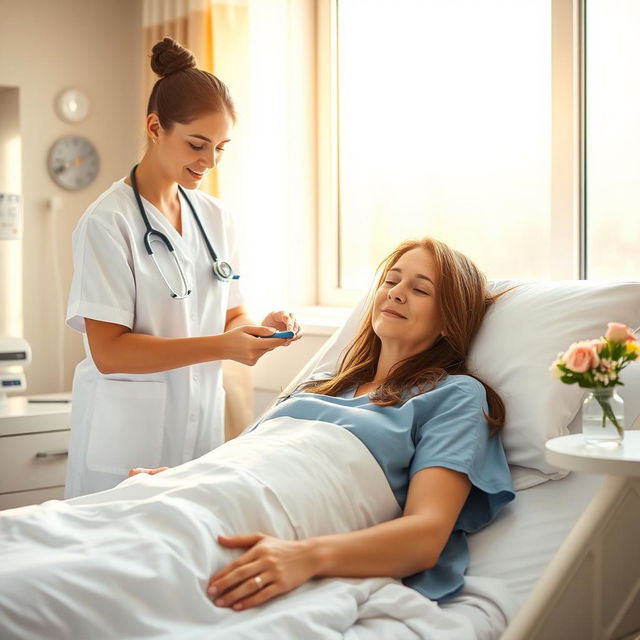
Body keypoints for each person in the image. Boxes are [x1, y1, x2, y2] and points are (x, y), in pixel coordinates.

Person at [131, 236, 515, 612]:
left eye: (420, 290)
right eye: (392, 280)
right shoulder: (320, 387)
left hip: (263, 529)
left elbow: (426, 535)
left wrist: (304, 557)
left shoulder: (454, 396)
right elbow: (249, 463)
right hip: (201, 500)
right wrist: (181, 477)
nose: (396, 293)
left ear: (449, 319)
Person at [64, 37, 301, 499]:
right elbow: (109, 350)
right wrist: (223, 346)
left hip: (198, 435)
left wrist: (259, 331)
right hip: (126, 444)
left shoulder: (216, 217)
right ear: (155, 127)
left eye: (221, 148)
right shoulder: (108, 222)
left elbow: (231, 314)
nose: (209, 161)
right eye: (197, 144)